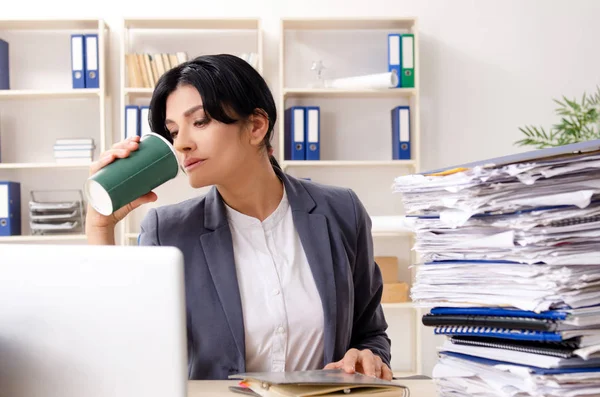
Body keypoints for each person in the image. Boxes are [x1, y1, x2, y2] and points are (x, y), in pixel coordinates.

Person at [86, 54, 393, 381]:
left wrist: (367, 356)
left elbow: (370, 332)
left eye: (200, 121)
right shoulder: (169, 231)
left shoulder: (341, 211)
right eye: (173, 132)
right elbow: (130, 344)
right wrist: (99, 225)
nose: (182, 144)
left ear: (257, 126)